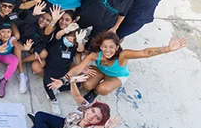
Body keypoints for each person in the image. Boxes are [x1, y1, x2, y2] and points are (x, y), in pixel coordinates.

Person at [52, 31, 186, 101]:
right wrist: (63, 80)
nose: (107, 50)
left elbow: (145, 52)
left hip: (117, 76)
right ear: (101, 47)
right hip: (101, 70)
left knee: (102, 89)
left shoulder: (124, 55)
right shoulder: (95, 55)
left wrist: (167, 49)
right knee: (87, 84)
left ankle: (95, 92)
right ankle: (94, 84)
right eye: (104, 47)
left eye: (111, 47)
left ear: (117, 47)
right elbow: (78, 68)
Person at [39, 30, 87, 115]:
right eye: (68, 38)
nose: (69, 41)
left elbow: (80, 49)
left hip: (64, 70)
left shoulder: (74, 47)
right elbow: (58, 35)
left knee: (77, 84)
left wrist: (79, 41)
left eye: (72, 41)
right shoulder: (58, 41)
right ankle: (53, 100)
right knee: (47, 82)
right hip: (51, 67)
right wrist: (66, 29)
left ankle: (58, 90)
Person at [0, 22, 33, 98]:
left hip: (5, 57)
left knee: (15, 60)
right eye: (3, 31)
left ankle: (4, 80)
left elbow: (17, 45)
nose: (6, 34)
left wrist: (25, 48)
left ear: (11, 33)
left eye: (8, 32)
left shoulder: (12, 39)